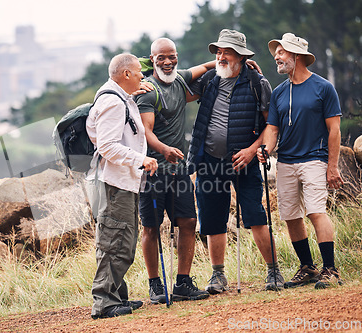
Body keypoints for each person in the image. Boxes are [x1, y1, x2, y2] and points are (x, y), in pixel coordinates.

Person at [187, 29, 284, 294]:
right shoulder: (209, 79)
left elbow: (271, 124)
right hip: (208, 161)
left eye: (225, 52)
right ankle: (218, 276)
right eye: (218, 52)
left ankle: (273, 271)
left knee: (255, 215)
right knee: (211, 219)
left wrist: (253, 150)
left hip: (245, 161)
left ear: (240, 56)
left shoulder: (257, 82)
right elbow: (180, 89)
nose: (220, 57)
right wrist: (209, 63)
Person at [257, 33, 343, 289]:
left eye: (281, 53)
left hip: (315, 159)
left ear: (296, 56)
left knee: (316, 212)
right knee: (291, 216)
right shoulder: (280, 92)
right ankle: (308, 268)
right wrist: (266, 149)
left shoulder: (323, 87)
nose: (277, 57)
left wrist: (332, 165)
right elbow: (272, 129)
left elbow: (334, 130)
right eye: (276, 54)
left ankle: (331, 269)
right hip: (286, 161)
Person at [135, 37, 216, 304]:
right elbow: (146, 132)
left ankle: (182, 283)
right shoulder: (147, 90)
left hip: (178, 168)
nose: (168, 62)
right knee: (151, 227)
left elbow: (205, 67)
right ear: (152, 59)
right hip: (153, 168)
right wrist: (165, 149)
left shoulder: (180, 79)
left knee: (189, 222)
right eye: (161, 58)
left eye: (172, 56)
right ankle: (155, 285)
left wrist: (233, 60)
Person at [86, 53, 158, 319]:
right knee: (115, 240)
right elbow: (106, 146)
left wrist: (132, 94)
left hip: (121, 182)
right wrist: (142, 159)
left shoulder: (117, 96)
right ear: (126, 74)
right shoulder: (113, 102)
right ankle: (104, 303)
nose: (143, 75)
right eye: (138, 71)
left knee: (122, 239)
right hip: (115, 183)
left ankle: (117, 297)